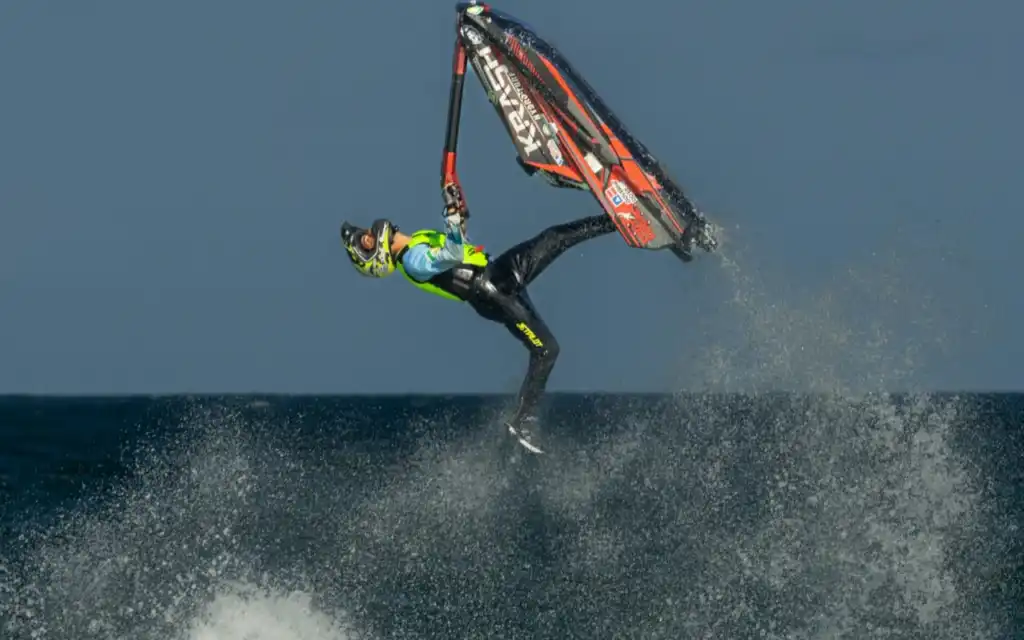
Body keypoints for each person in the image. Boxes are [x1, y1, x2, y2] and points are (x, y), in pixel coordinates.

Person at [339, 195, 715, 454]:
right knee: (546, 349)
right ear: (378, 257)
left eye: (364, 234)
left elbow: (459, 246)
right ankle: (523, 420)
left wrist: (458, 215)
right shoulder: (412, 260)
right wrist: (452, 224)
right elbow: (451, 253)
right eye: (365, 242)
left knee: (556, 236)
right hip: (492, 293)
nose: (368, 234)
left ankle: (630, 217)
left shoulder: (417, 244)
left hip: (498, 274)